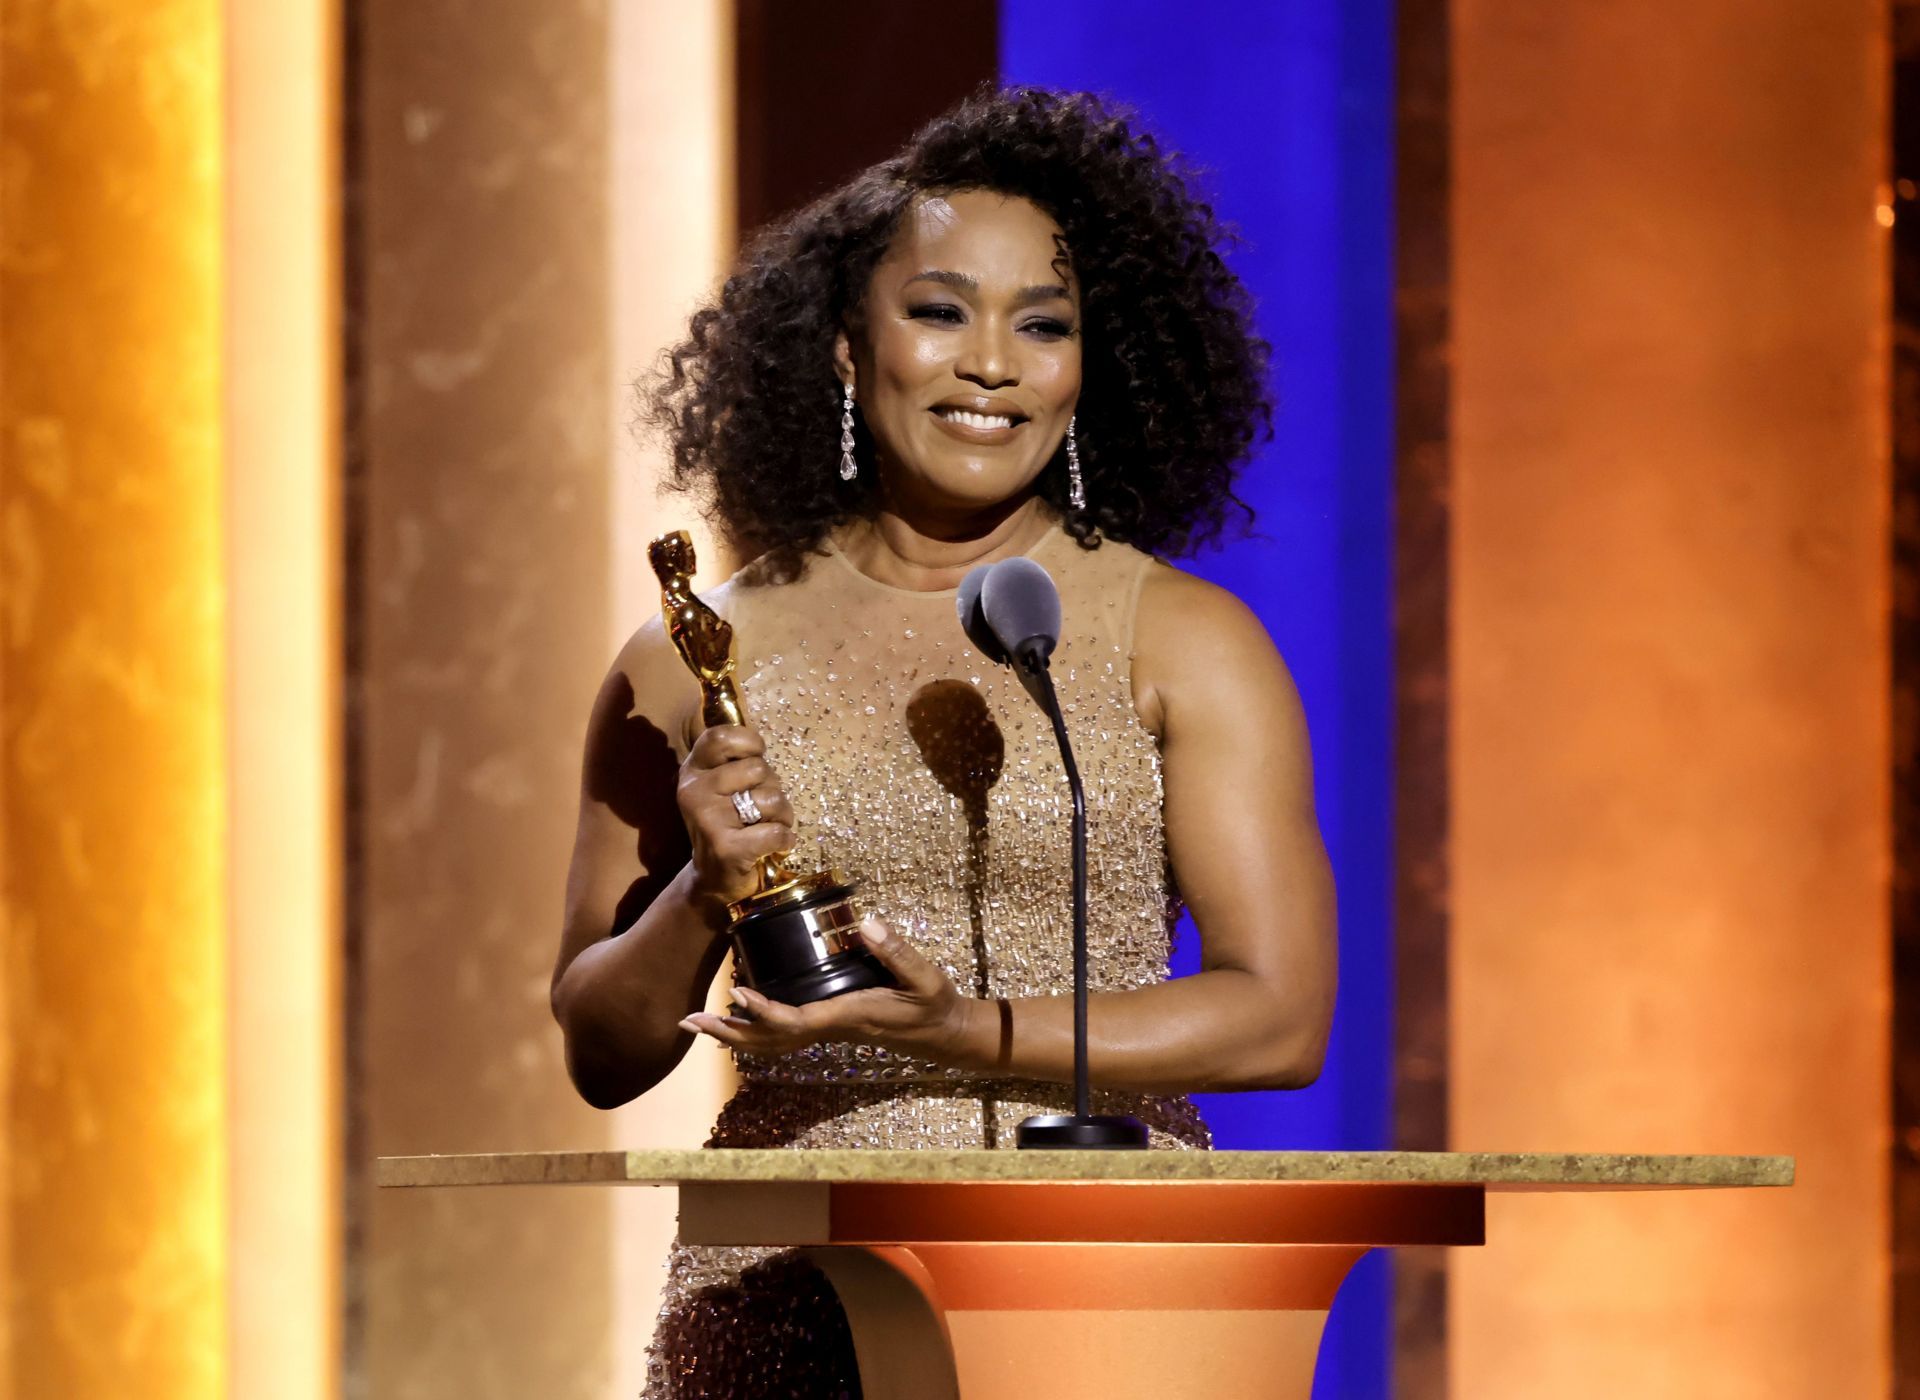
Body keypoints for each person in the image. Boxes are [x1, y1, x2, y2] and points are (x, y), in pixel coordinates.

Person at [551, 86, 1337, 1399]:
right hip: (784, 1306)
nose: (993, 362)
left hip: (1098, 1297)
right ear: (849, 351)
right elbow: (600, 1049)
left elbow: (1281, 1020)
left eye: (1044, 325)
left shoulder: (1186, 641)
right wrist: (705, 886)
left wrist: (961, 1029)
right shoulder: (687, 660)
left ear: (1092, 367)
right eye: (939, 312)